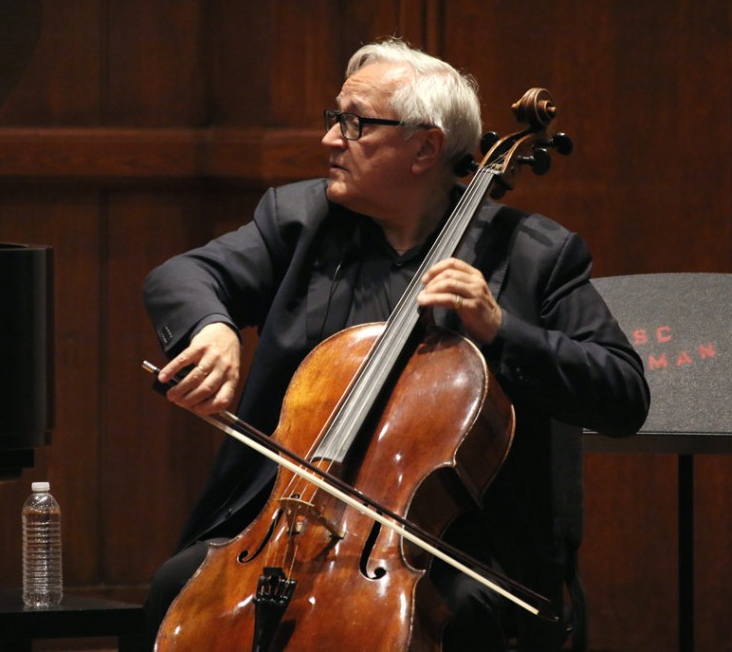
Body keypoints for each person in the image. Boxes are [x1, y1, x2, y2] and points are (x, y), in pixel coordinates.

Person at [142, 38, 650, 651]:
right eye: (335, 119)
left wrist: (502, 329)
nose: (331, 140)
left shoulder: (535, 255)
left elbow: (623, 394)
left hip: (462, 552)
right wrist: (212, 327)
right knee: (174, 588)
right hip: (286, 529)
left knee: (445, 624)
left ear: (425, 148)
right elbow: (185, 276)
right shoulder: (303, 222)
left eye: (355, 123)